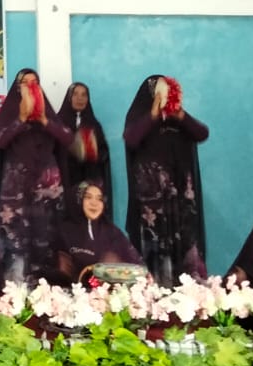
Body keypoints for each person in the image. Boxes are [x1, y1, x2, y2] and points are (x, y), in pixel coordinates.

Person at [123, 74, 210, 286]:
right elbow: (131, 138)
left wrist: (180, 115)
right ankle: (153, 294)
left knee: (184, 248)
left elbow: (202, 133)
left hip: (180, 202)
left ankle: (187, 293)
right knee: (153, 249)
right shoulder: (139, 117)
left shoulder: (177, 118)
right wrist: (153, 114)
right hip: (151, 205)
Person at [0, 68, 72, 282]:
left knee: (46, 234)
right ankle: (15, 287)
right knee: (15, 237)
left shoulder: (48, 113)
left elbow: (67, 138)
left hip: (46, 187)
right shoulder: (10, 111)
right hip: (16, 186)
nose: (30, 87)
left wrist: (44, 120)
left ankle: (46, 288)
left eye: (34, 82)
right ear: (17, 88)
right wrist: (21, 119)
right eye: (25, 83)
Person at [54, 181, 143, 285]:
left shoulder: (112, 232)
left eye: (99, 199)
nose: (94, 203)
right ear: (78, 199)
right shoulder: (64, 232)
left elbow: (137, 267)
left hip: (111, 293)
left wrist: (116, 267)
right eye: (88, 197)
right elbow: (52, 271)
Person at [55, 82, 113, 219]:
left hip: (89, 179)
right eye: (75, 94)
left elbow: (104, 152)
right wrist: (72, 149)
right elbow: (53, 151)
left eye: (84, 95)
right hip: (66, 179)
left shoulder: (94, 124)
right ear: (69, 98)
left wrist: (92, 151)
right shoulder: (58, 122)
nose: (79, 98)